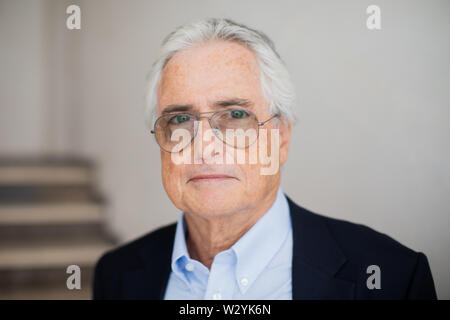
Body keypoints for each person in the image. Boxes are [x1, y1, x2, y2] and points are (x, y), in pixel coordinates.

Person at [93, 18, 437, 300]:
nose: (203, 146)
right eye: (180, 120)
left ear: (282, 138)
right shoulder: (118, 274)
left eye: (235, 115)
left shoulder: (391, 277)